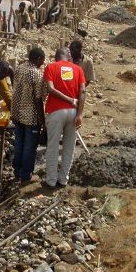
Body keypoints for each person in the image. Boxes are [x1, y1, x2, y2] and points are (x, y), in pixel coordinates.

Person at [42, 47, 86, 189]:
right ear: (69, 57)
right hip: (73, 112)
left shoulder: (51, 67)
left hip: (56, 112)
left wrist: (67, 99)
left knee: (53, 147)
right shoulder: (78, 69)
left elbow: (50, 88)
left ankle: (51, 181)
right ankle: (63, 180)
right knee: (69, 147)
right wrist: (79, 114)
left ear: (56, 58)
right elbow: (83, 91)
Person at [12, 47, 46, 183]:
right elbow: (38, 99)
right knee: (29, 147)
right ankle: (26, 175)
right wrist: (42, 120)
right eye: (42, 61)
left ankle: (17, 172)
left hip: (16, 112)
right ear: (38, 59)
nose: (43, 64)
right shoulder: (36, 73)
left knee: (19, 143)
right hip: (30, 116)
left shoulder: (20, 68)